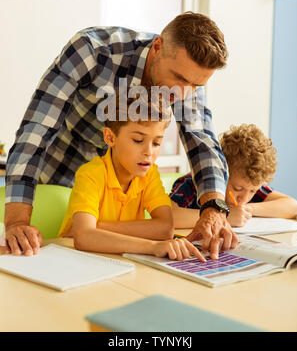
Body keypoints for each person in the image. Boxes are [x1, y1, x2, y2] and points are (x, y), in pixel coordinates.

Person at [3, 12, 238, 258]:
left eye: (195, 86)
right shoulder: (93, 50)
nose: (182, 94)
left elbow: (202, 141)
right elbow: (37, 129)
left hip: (121, 202)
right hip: (59, 167)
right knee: (36, 252)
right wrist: (18, 222)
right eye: (179, 78)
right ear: (157, 47)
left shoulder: (185, 85)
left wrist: (214, 209)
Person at [58, 90, 205, 262]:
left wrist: (99, 227)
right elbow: (84, 238)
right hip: (79, 260)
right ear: (110, 137)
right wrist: (152, 246)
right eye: (137, 140)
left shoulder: (149, 175)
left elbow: (165, 228)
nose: (149, 152)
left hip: (123, 260)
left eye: (156, 142)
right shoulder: (90, 175)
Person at [170, 124, 297, 229]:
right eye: (237, 188)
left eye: (252, 191)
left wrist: (248, 209)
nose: (244, 198)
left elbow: (293, 206)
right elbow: (169, 217)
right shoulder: (192, 184)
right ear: (220, 173)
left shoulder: (248, 186)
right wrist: (224, 216)